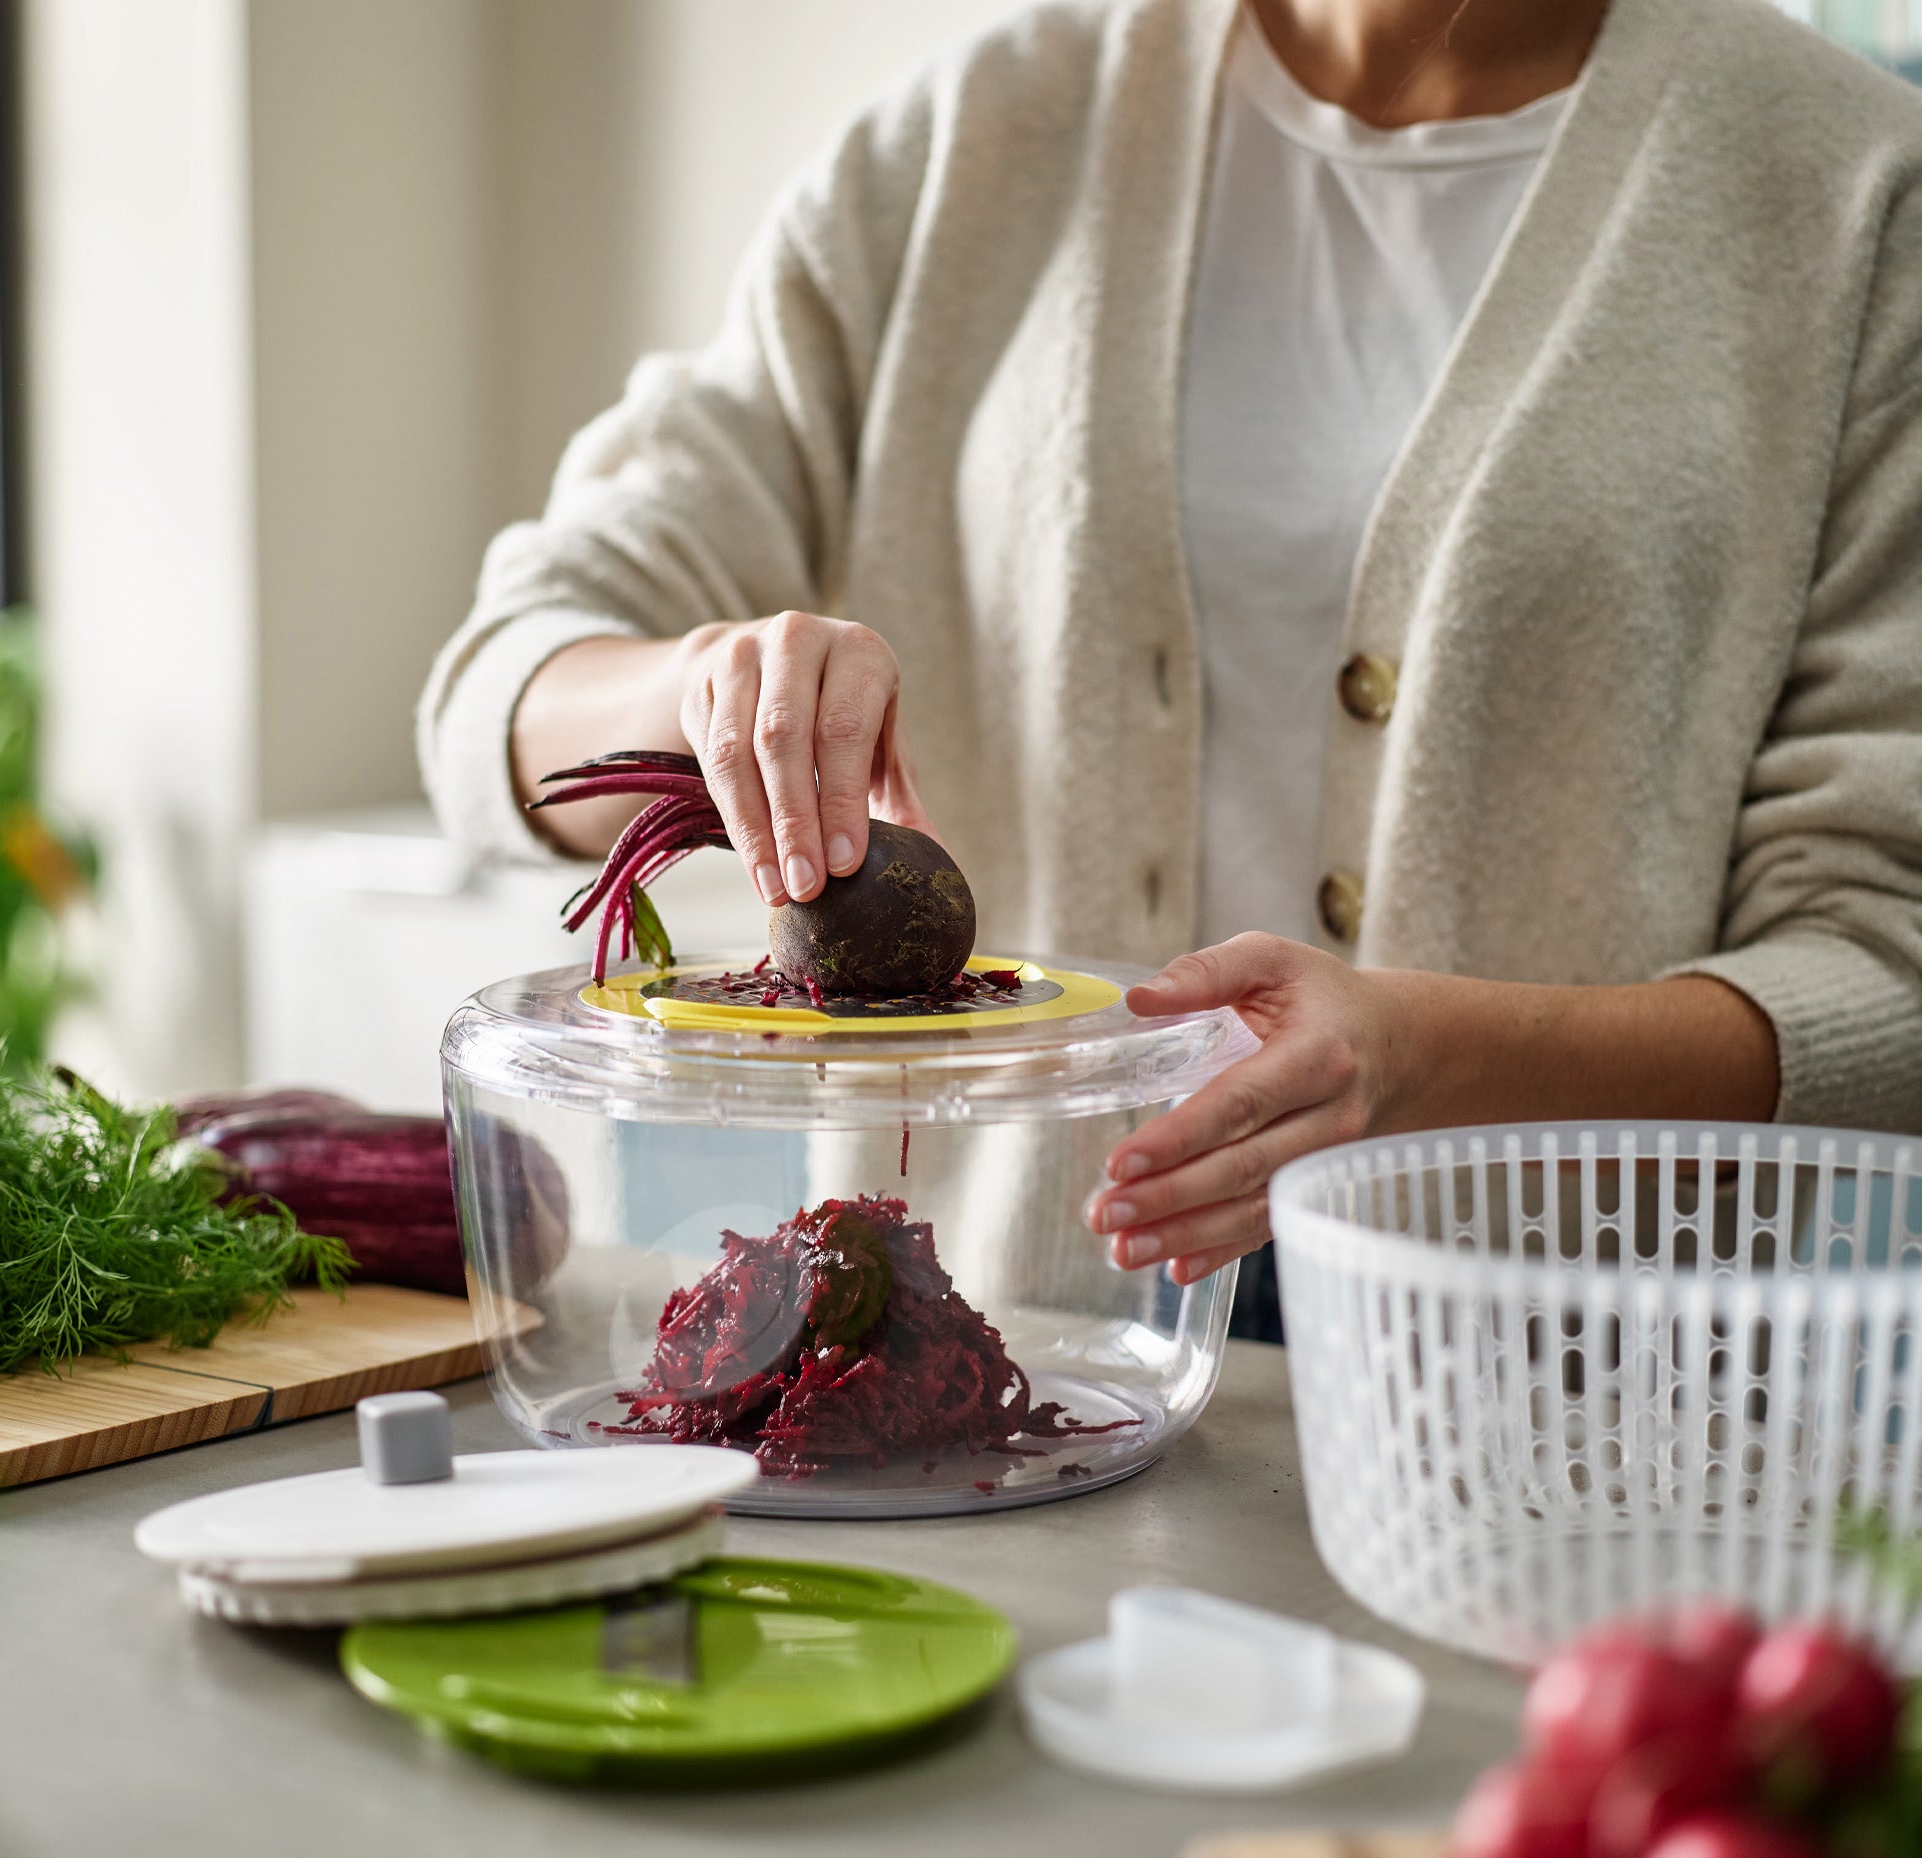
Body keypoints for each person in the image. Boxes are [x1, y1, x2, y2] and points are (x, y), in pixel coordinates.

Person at [421, 0, 1922, 1308]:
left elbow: (1882, 977)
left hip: (1578, 1407)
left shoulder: (1852, 191)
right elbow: (498, 695)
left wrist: (1435, 1067)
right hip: (996, 1372)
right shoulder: (973, 147)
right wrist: (703, 695)